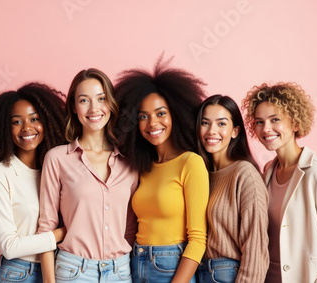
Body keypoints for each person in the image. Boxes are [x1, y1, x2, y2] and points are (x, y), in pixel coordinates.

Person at [37, 68, 138, 282]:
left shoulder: (129, 162)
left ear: (111, 103)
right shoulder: (57, 159)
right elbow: (46, 228)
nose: (94, 108)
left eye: (101, 98)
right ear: (74, 107)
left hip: (120, 271)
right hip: (74, 271)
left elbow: (129, 226)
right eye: (84, 100)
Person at [242, 82, 317, 283]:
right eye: (259, 122)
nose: (266, 128)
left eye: (275, 120)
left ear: (296, 123)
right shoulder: (266, 173)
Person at [115, 58, 208, 283]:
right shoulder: (142, 168)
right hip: (137, 263)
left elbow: (197, 240)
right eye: (143, 117)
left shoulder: (190, 163)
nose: (152, 123)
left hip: (172, 267)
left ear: (176, 113)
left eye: (160, 113)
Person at [0, 83, 68, 282]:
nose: (27, 127)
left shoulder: (55, 171)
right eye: (17, 122)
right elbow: (9, 246)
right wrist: (63, 232)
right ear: (4, 129)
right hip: (18, 273)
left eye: (34, 119)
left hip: (59, 269)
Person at [195, 94, 269, 282]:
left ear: (235, 131)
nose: (212, 131)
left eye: (221, 124)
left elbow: (256, 250)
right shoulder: (200, 174)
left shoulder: (245, 174)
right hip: (200, 272)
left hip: (228, 275)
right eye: (205, 123)